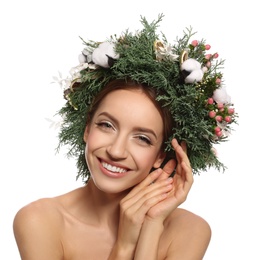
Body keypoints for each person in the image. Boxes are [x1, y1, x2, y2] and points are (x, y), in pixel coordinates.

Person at [13, 14, 237, 259]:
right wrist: (124, 246)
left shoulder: (189, 231)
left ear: (161, 154)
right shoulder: (40, 221)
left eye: (143, 138)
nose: (116, 151)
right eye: (107, 125)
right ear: (87, 127)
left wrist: (151, 225)